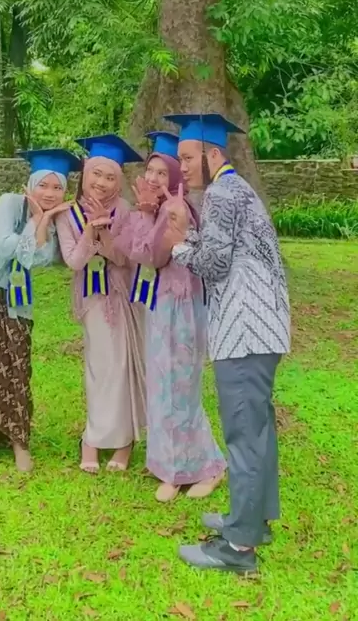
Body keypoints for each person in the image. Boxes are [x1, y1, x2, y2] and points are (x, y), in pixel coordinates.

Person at [161, 113, 291, 574]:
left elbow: (213, 266)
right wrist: (192, 235)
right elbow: (225, 250)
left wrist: (178, 244)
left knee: (243, 434)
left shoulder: (219, 193)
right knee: (257, 430)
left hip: (245, 331)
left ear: (212, 154)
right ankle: (253, 519)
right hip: (263, 327)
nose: (181, 167)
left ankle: (238, 548)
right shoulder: (238, 189)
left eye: (187, 158)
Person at [0, 148, 81, 473]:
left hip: (16, 301)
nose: (49, 193)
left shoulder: (54, 220)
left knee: (16, 364)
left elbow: (41, 258)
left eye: (57, 188)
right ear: (30, 184)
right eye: (43, 185)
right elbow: (5, 243)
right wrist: (37, 220)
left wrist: (46, 220)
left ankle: (17, 438)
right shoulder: (9, 203)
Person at [115, 131, 226, 503]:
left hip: (181, 309)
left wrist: (147, 213)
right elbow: (135, 250)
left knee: (179, 389)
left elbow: (152, 255)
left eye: (163, 173)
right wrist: (146, 213)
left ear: (176, 176)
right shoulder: (165, 207)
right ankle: (169, 465)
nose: (153, 178)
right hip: (161, 305)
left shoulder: (175, 209)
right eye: (150, 171)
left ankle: (208, 466)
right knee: (163, 387)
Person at [56, 134, 146, 474]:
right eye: (96, 174)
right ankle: (92, 438)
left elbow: (124, 259)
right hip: (92, 300)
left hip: (122, 299)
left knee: (121, 366)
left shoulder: (125, 211)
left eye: (110, 177)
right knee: (98, 366)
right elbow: (74, 261)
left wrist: (105, 232)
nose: (102, 183)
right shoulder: (67, 215)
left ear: (118, 181)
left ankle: (124, 441)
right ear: (85, 173)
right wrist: (90, 230)